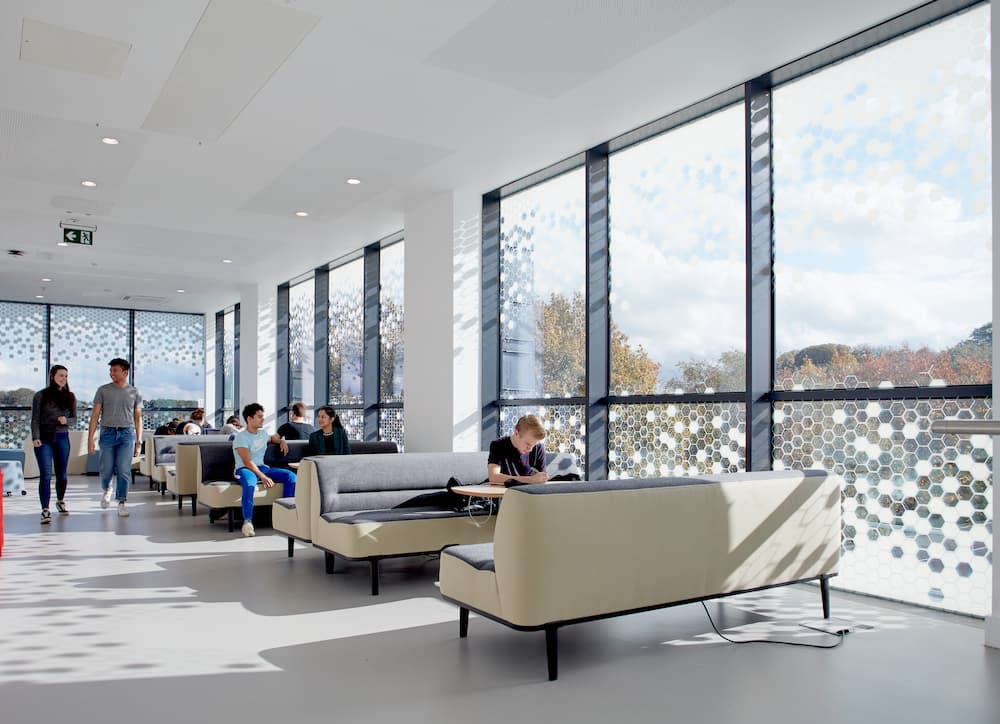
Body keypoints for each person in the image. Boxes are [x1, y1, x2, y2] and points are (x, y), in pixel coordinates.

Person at [87, 358, 142, 517]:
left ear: (125, 372)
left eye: (115, 370)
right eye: (111, 371)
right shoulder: (103, 390)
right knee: (106, 468)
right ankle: (107, 489)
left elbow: (138, 418)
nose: (112, 373)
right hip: (107, 433)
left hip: (127, 434)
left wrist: (138, 442)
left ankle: (122, 502)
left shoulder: (135, 392)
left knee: (124, 470)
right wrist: (91, 439)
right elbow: (95, 415)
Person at [232, 403, 296, 537]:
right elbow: (247, 461)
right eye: (259, 417)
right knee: (250, 484)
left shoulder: (262, 433)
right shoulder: (241, 437)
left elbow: (272, 438)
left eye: (263, 416)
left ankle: (285, 515)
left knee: (291, 476)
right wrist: (263, 476)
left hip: (262, 467)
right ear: (249, 419)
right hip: (244, 469)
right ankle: (247, 522)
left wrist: (281, 441)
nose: (263, 419)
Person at [31, 365, 77, 524]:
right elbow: (35, 418)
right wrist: (35, 436)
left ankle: (60, 500)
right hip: (44, 439)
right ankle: (45, 510)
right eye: (60, 375)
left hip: (62, 438)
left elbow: (74, 419)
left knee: (62, 475)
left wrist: (67, 421)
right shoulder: (41, 395)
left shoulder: (70, 396)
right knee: (45, 474)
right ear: (52, 376)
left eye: (66, 376)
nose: (63, 378)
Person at [487, 414, 548, 486]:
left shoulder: (538, 448)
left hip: (527, 494)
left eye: (534, 445)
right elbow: (493, 477)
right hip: (502, 493)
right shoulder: (498, 445)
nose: (531, 449)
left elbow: (542, 479)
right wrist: (530, 480)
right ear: (516, 433)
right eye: (528, 444)